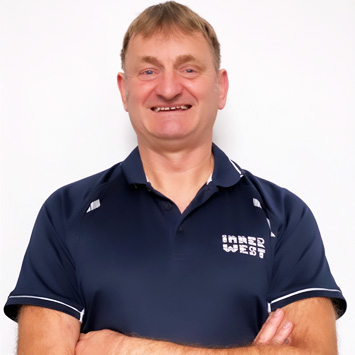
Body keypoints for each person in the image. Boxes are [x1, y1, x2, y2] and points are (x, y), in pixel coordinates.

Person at [4, 1, 346, 354]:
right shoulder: (65, 213)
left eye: (189, 69)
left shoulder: (284, 216)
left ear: (221, 87)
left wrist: (125, 350)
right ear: (124, 90)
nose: (168, 88)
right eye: (149, 71)